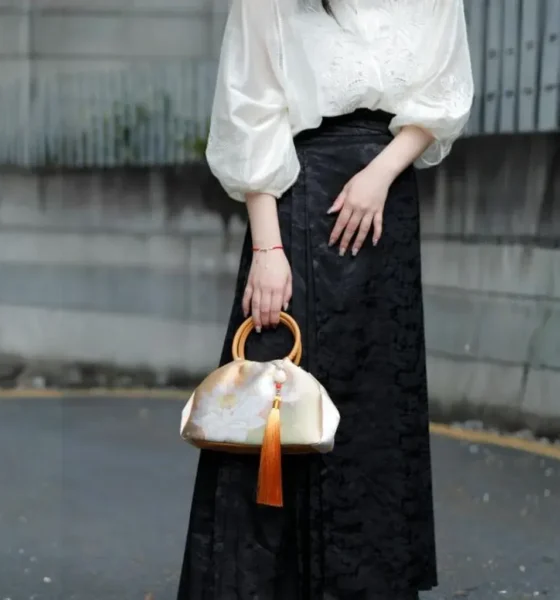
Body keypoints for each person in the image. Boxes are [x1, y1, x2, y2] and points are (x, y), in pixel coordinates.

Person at [178, 0, 474, 598]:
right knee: (270, 399)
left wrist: (380, 176)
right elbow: (251, 105)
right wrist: (268, 248)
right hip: (299, 200)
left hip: (384, 201)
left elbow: (442, 88)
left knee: (374, 404)